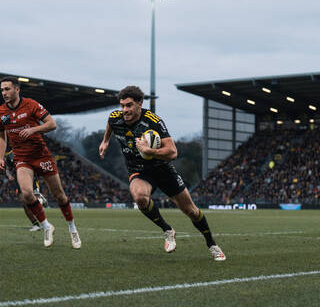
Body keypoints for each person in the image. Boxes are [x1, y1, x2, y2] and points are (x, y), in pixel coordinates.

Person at [99, 86, 226, 260]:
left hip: (162, 169)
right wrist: (105, 141)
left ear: (139, 104)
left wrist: (149, 151)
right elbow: (110, 124)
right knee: (139, 197)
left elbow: (173, 152)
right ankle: (167, 230)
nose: (125, 110)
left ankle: (212, 244)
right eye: (122, 105)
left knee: (191, 211)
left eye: (129, 105)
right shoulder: (115, 118)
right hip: (138, 170)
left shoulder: (153, 121)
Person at [0, 77, 81, 249]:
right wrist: (0, 156)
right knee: (27, 194)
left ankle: (72, 228)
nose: (4, 93)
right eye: (2, 90)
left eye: (7, 89)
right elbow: (1, 135)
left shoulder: (31, 105)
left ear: (17, 89)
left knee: (59, 195)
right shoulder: (1, 112)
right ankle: (46, 226)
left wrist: (33, 130)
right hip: (21, 158)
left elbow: (52, 124)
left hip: (41, 156)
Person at [5, 149, 48, 232]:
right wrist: (9, 175)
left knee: (32, 200)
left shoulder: (28, 149)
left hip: (30, 177)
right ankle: (36, 225)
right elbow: (8, 169)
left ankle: (40, 200)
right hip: (18, 179)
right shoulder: (9, 155)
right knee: (24, 203)